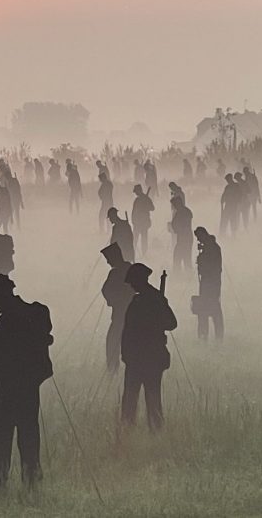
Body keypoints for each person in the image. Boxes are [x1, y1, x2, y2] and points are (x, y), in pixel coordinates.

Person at [0, 275, 53, 488]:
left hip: (7, 392)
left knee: (1, 441)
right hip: (29, 391)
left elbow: (1, 361)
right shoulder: (37, 314)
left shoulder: (4, 324)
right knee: (29, 438)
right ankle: (31, 484)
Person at [120, 263, 177, 431]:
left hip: (148, 356)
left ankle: (154, 432)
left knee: (150, 399)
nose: (131, 285)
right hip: (138, 357)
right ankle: (128, 431)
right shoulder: (143, 299)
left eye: (133, 281)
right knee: (132, 398)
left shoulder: (155, 299)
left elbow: (171, 323)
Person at [101, 243, 133, 373]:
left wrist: (113, 300)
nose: (108, 262)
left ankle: (113, 371)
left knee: (112, 343)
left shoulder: (115, 272)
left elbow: (106, 290)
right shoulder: (130, 268)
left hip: (120, 316)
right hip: (131, 316)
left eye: (108, 259)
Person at [193, 227, 224, 340]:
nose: (198, 240)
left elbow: (209, 266)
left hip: (211, 283)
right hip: (208, 282)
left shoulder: (212, 248)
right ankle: (205, 334)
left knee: (213, 308)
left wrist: (201, 257)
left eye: (199, 237)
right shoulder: (211, 247)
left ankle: (215, 335)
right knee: (205, 308)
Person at [170, 196, 193, 272]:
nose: (174, 207)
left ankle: (183, 275)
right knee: (180, 257)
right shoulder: (183, 211)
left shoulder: (184, 212)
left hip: (185, 239)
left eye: (174, 205)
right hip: (182, 239)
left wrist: (175, 227)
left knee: (184, 258)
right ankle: (181, 275)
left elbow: (182, 225)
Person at [131, 184, 154, 256]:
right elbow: (134, 211)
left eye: (136, 192)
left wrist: (146, 206)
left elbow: (152, 208)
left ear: (139, 191)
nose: (135, 193)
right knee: (135, 239)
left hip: (143, 222)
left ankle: (144, 254)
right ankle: (132, 254)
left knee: (144, 239)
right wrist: (133, 221)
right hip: (137, 222)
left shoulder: (146, 199)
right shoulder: (137, 200)